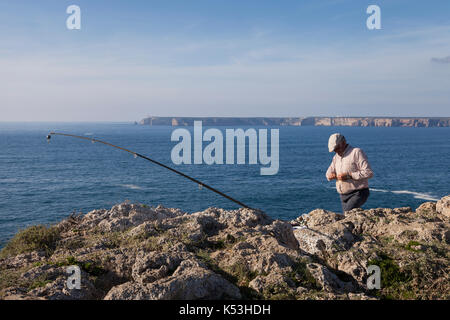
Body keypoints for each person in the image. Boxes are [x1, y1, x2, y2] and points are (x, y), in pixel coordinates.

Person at [326, 133, 373, 213]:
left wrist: (349, 176)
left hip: (358, 192)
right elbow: (328, 173)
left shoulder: (356, 152)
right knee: (349, 217)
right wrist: (331, 175)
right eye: (334, 150)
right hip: (343, 195)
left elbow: (368, 173)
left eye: (337, 148)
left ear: (343, 143)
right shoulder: (336, 157)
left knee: (347, 214)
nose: (336, 151)